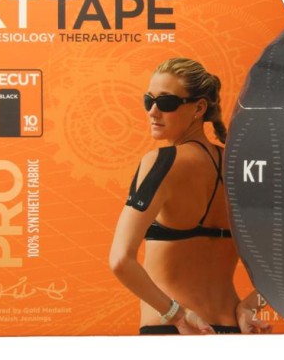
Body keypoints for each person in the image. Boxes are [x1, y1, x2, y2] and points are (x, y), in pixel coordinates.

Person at [109, 57, 272, 335]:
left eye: (167, 102)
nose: (153, 111)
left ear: (199, 108)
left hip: (177, 329)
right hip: (234, 328)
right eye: (149, 100)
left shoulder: (162, 161)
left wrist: (177, 314)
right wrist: (249, 306)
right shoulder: (241, 167)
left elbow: (120, 261)